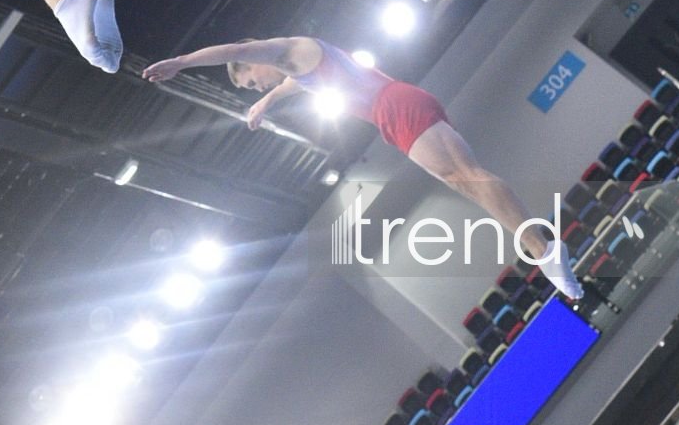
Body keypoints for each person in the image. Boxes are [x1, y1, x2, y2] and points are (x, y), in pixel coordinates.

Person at [142, 36, 583, 299]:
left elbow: (234, 50)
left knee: (469, 176)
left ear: (253, 61)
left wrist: (182, 63)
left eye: (253, 82)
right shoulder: (298, 66)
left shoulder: (287, 48)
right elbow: (294, 83)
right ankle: (540, 248)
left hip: (394, 107)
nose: (260, 85)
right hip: (393, 112)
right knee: (466, 183)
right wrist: (267, 102)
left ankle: (544, 251)